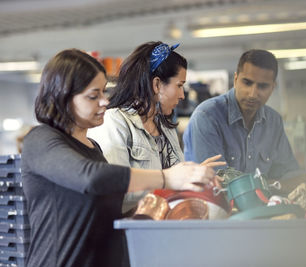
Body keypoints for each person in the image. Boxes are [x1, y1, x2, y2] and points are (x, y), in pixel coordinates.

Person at [21, 49, 216, 267]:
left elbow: (113, 208)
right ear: (63, 96)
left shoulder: (92, 147)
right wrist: (166, 178)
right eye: (94, 96)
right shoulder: (40, 141)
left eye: (104, 92)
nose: (105, 101)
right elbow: (93, 179)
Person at [88, 41, 225, 213]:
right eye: (179, 85)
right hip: (131, 232)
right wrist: (168, 181)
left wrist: (195, 177)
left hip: (164, 227)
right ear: (157, 84)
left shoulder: (165, 128)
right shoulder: (115, 122)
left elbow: (177, 185)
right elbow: (116, 193)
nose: (183, 95)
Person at [183, 49, 306, 194]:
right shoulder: (207, 117)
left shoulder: (273, 122)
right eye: (247, 83)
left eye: (262, 86)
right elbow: (219, 186)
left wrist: (297, 180)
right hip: (214, 213)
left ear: (272, 87)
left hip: (263, 212)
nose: (253, 94)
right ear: (236, 79)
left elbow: (291, 175)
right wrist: (274, 184)